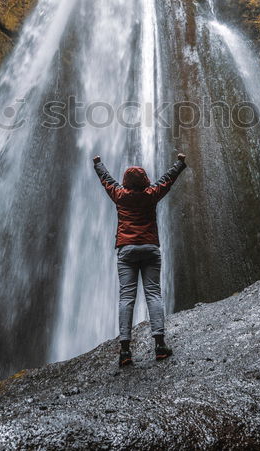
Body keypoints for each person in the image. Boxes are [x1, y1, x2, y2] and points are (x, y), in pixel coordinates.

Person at [93, 152, 187, 367]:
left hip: (126, 250)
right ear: (145, 181)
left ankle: (125, 351)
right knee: (153, 294)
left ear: (125, 182)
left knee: (126, 298)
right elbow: (167, 179)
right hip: (150, 247)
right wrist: (179, 163)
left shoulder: (119, 195)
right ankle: (160, 345)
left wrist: (98, 163)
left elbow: (106, 180)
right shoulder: (152, 194)